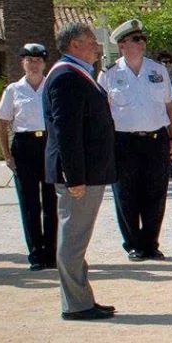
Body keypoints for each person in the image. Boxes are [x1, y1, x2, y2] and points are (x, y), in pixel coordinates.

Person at [42, 21, 117, 322]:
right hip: (79, 174)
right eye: (90, 40)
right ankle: (75, 303)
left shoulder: (78, 74)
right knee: (73, 238)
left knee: (77, 237)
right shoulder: (66, 76)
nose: (97, 46)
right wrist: (75, 177)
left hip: (87, 170)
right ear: (74, 45)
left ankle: (81, 297)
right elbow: (66, 131)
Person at [100, 19, 172, 261]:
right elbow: (102, 113)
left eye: (143, 38)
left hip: (156, 139)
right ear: (123, 44)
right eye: (136, 39)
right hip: (123, 142)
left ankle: (151, 243)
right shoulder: (110, 74)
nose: (142, 42)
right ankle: (133, 244)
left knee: (156, 192)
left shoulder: (158, 70)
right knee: (126, 193)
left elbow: (170, 107)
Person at [0, 43, 58, 271]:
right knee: (29, 203)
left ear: (44, 63)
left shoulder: (51, 86)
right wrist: (6, 155)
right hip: (24, 146)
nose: (34, 65)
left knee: (51, 201)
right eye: (29, 60)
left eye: (38, 60)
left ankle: (51, 253)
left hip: (49, 144)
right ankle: (36, 254)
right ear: (22, 63)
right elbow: (2, 124)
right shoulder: (13, 90)